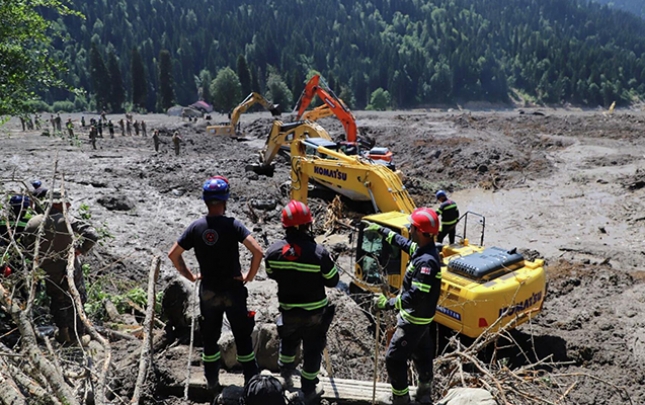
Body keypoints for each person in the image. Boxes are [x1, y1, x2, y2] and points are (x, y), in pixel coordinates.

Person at [168, 176, 262, 392]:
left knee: (210, 340)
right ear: (225, 200)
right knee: (242, 337)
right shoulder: (233, 225)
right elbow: (257, 251)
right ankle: (251, 383)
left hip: (208, 291)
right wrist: (249, 275)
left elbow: (173, 254)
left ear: (205, 200)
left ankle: (212, 383)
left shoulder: (196, 227)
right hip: (233, 291)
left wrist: (189, 275)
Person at [264, 200, 339, 404]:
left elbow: (270, 273)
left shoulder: (273, 253)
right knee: (313, 349)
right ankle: (309, 389)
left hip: (288, 312)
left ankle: (286, 379)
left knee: (288, 344)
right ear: (308, 224)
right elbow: (333, 281)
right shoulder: (319, 253)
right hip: (314, 314)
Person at [365, 207, 442, 405]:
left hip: (413, 320)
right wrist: (383, 231)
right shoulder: (424, 250)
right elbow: (404, 243)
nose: (409, 230)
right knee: (422, 355)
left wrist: (389, 303)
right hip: (423, 320)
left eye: (412, 228)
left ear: (420, 231)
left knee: (394, 359)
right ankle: (424, 394)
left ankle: (400, 400)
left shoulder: (427, 263)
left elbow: (416, 295)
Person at [23, 189, 98, 345]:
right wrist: (81, 249)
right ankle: (76, 337)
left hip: (47, 270)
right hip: (69, 268)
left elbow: (26, 248)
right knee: (76, 299)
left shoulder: (33, 222)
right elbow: (92, 234)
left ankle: (63, 334)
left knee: (57, 300)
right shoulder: (67, 220)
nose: (69, 205)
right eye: (67, 203)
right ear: (60, 204)